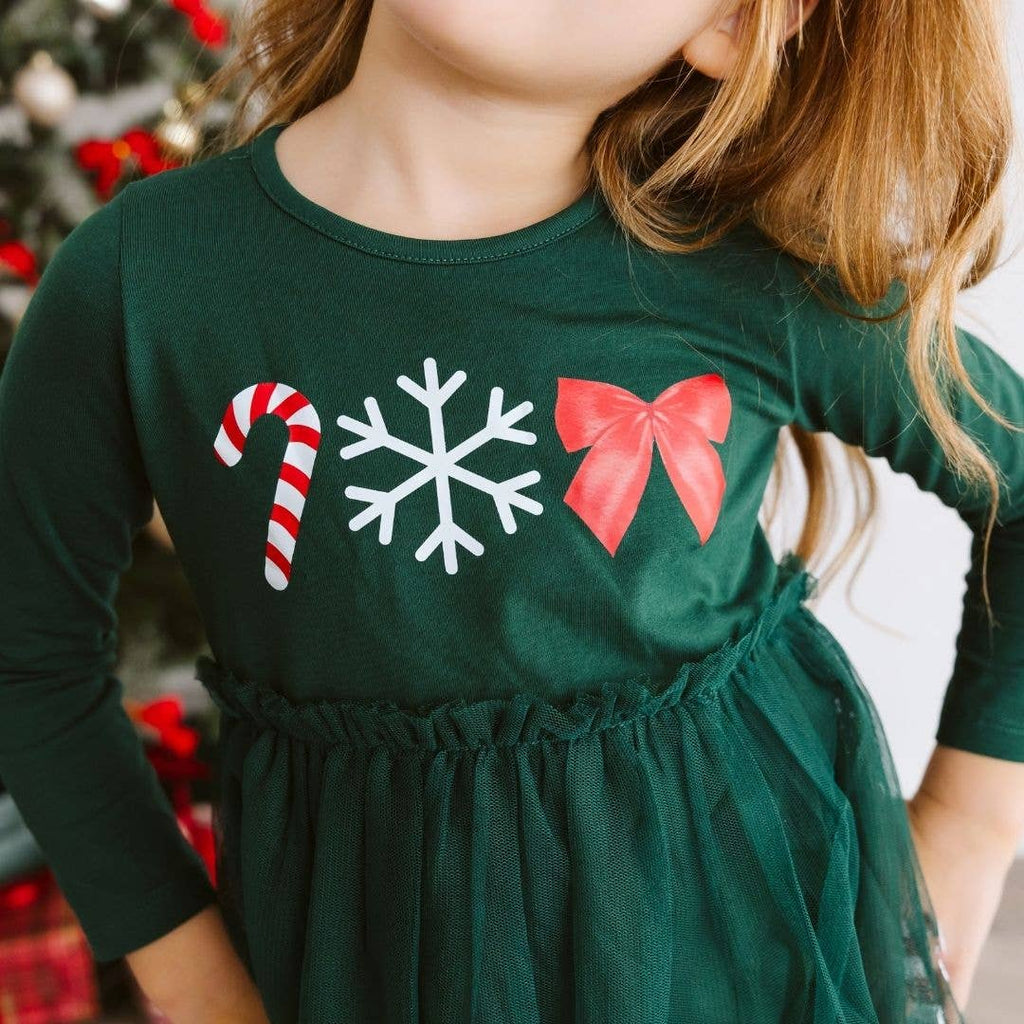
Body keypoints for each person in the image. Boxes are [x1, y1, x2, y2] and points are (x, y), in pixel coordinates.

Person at [1, 0, 1022, 1020]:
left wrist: (972, 827)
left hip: (729, 955)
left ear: (734, 29)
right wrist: (195, 980)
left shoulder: (743, 278)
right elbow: (28, 658)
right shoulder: (140, 281)